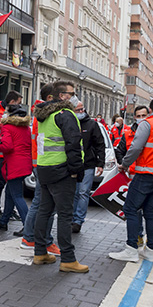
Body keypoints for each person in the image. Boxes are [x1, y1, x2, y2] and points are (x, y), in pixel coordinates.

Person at [109, 97, 153, 263]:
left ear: (150, 110)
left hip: (146, 173)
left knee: (130, 208)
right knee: (150, 213)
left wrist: (125, 164)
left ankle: (131, 248)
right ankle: (151, 250)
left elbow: (135, 147)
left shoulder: (149, 124)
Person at [33, 81, 88, 273]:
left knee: (44, 211)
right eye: (71, 94)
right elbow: (73, 143)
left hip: (45, 167)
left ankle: (40, 252)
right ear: (61, 96)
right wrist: (76, 169)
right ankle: (68, 259)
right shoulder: (66, 114)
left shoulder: (45, 115)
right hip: (62, 169)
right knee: (65, 215)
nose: (74, 97)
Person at [20, 84, 60, 256]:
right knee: (46, 204)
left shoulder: (39, 113)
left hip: (40, 162)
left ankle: (30, 237)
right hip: (45, 163)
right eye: (60, 95)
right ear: (50, 98)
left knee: (40, 202)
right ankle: (41, 239)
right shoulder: (46, 114)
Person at [0, 104, 32, 231]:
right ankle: (4, 221)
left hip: (14, 165)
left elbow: (7, 146)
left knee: (17, 196)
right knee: (9, 193)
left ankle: (28, 226)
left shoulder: (8, 127)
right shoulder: (26, 128)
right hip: (25, 164)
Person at [114, 105, 149, 247]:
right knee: (135, 210)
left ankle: (142, 237)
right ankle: (138, 236)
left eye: (144, 115)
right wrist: (124, 165)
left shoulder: (151, 132)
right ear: (134, 117)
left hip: (147, 175)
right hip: (132, 175)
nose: (141, 119)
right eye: (139, 116)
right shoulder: (128, 133)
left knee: (148, 210)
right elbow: (119, 150)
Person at [71, 101, 105, 233]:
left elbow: (100, 144)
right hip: (73, 164)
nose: (80, 112)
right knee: (74, 192)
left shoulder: (92, 125)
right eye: (77, 110)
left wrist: (100, 163)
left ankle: (78, 220)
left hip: (88, 164)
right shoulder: (70, 123)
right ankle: (72, 218)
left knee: (83, 192)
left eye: (81, 109)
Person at [0, 91, 23, 222]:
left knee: (9, 183)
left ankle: (9, 210)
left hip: (7, 154)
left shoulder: (7, 114)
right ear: (12, 102)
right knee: (0, 182)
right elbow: (9, 128)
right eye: (19, 103)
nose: (20, 106)